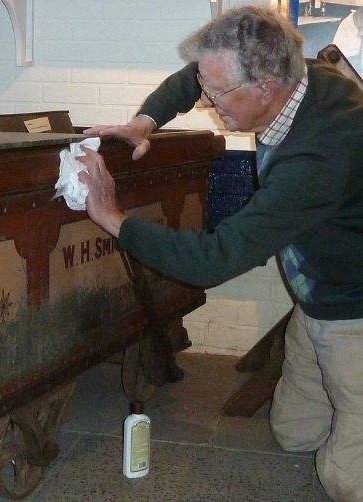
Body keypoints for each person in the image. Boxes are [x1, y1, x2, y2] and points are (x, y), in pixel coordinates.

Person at [77, 5, 363, 502]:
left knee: (344, 480)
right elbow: (193, 79)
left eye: (217, 93)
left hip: (353, 310)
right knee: (295, 435)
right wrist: (145, 122)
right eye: (206, 88)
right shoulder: (292, 74)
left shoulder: (320, 152)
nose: (205, 100)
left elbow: (215, 258)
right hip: (316, 298)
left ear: (266, 88)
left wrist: (112, 217)